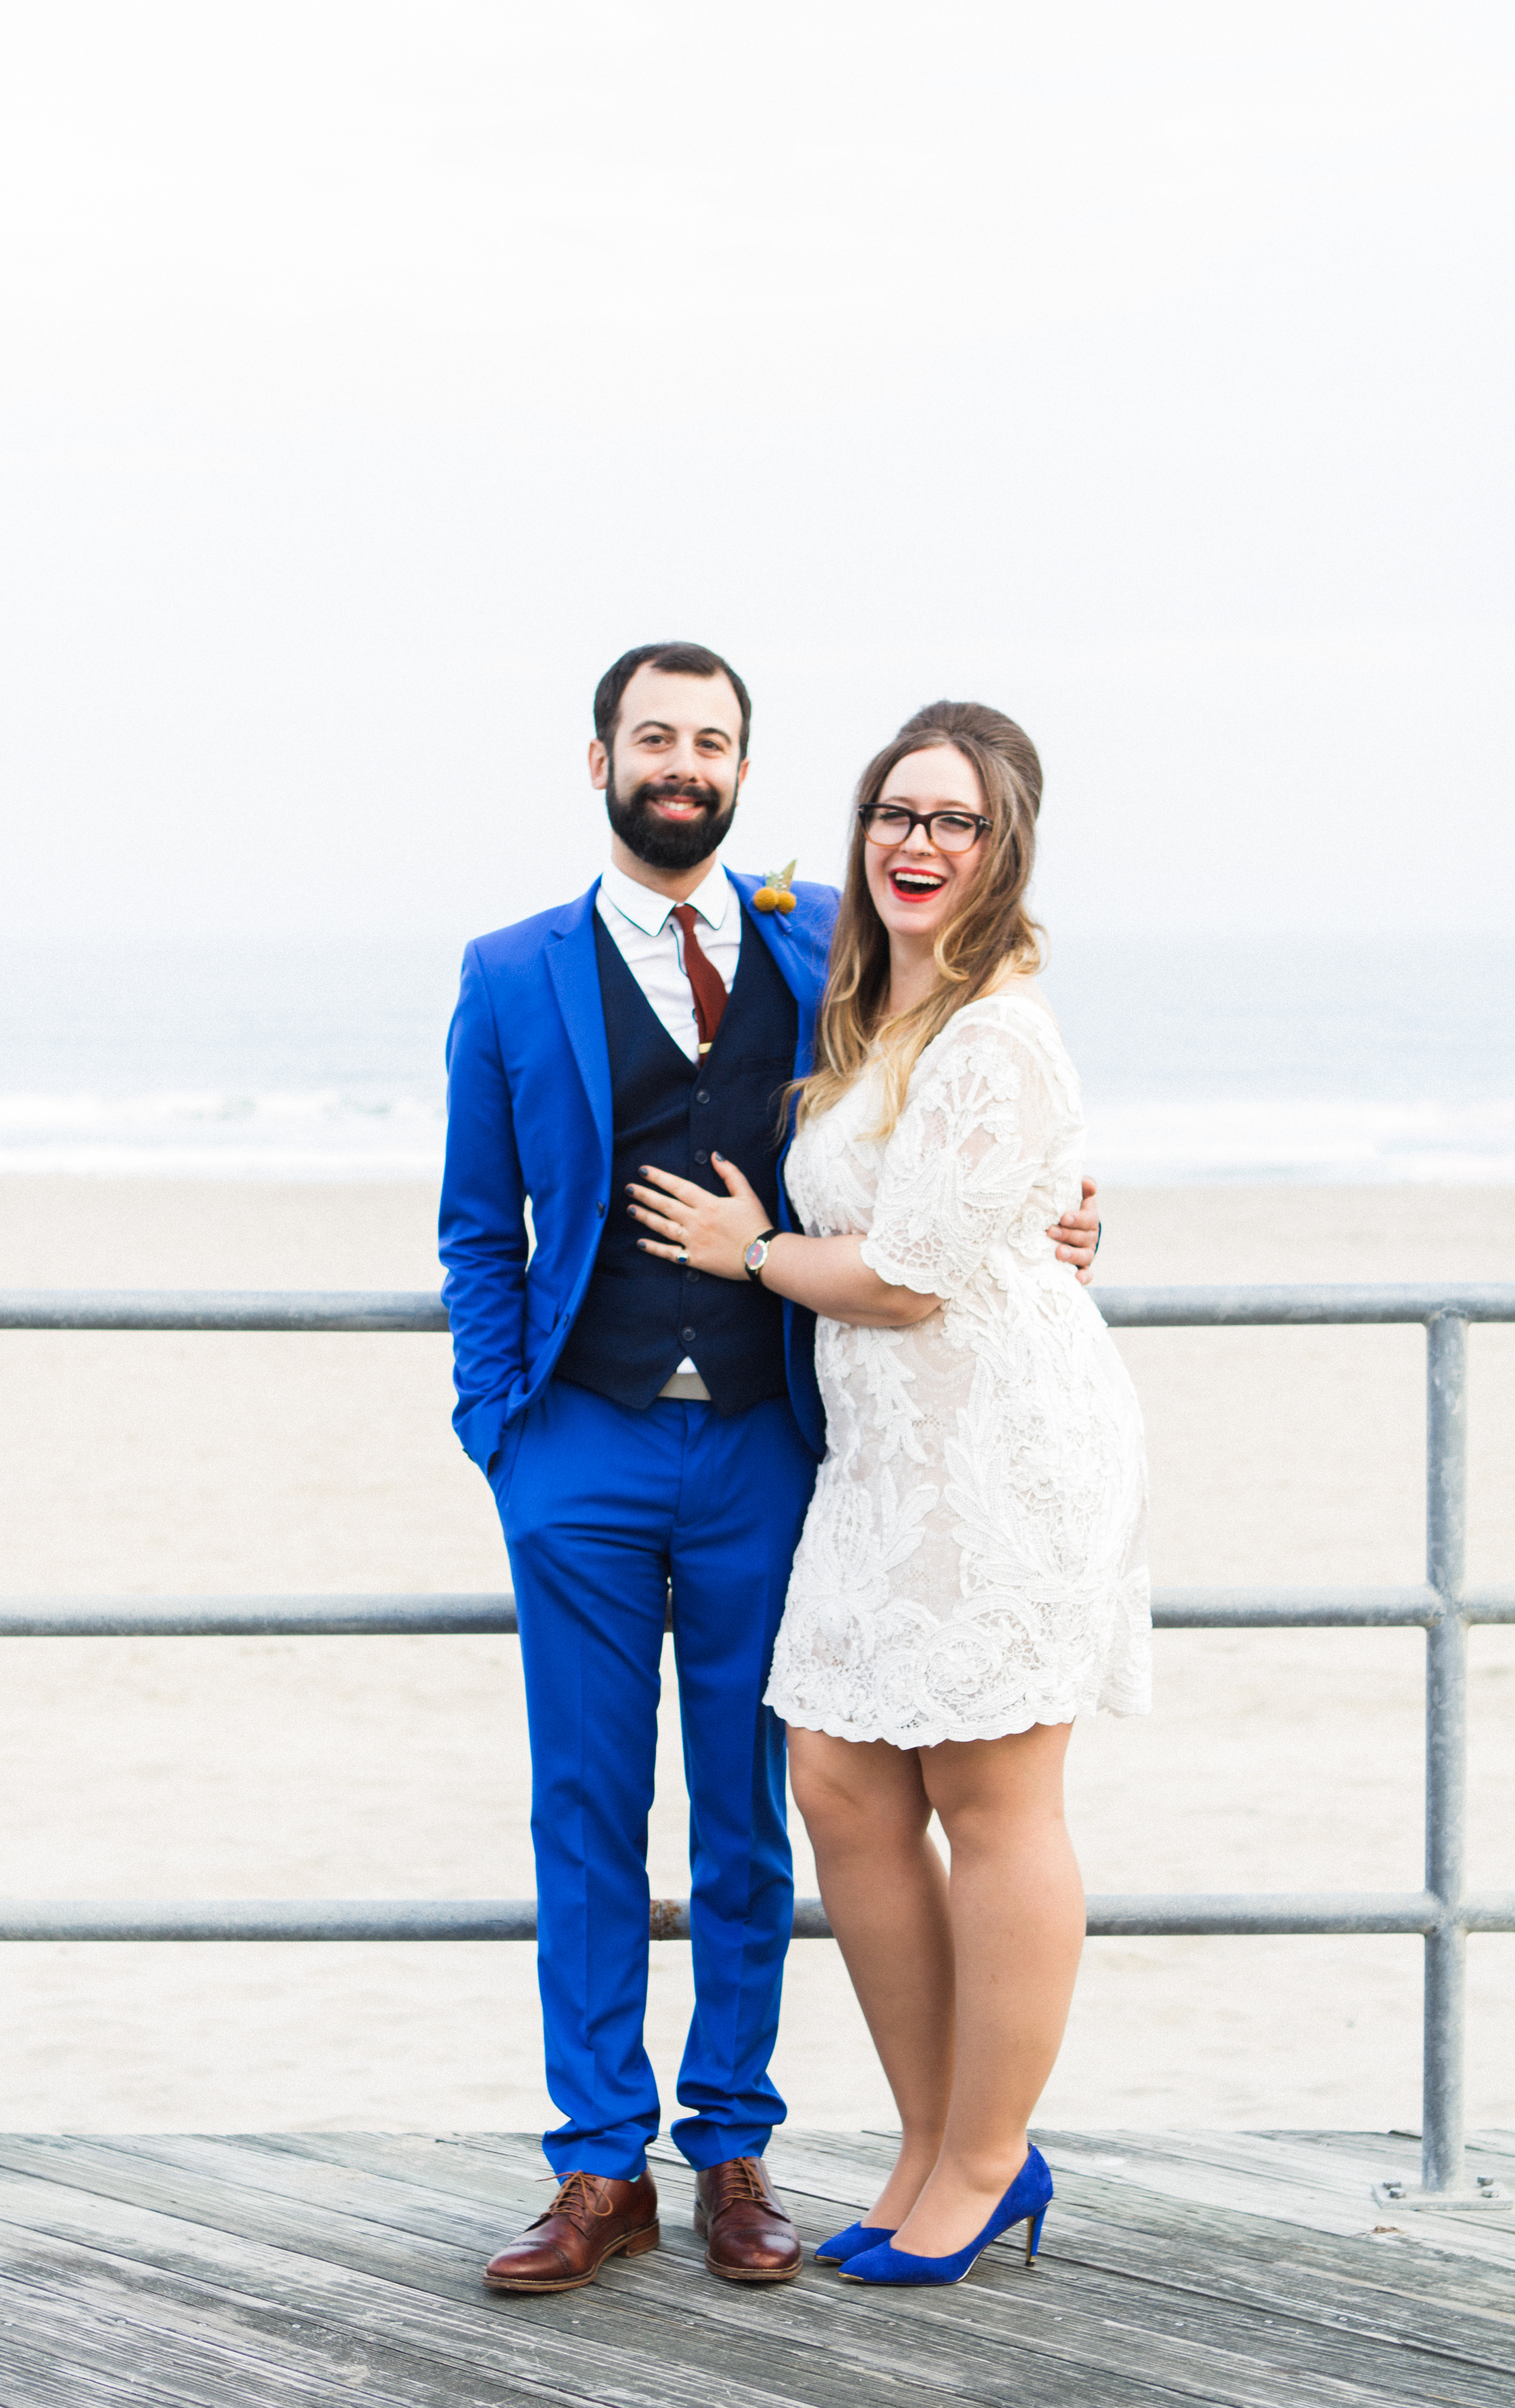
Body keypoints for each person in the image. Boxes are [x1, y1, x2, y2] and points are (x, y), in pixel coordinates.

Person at [439, 650, 1103, 2296]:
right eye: (652, 736)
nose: (681, 763)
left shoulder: (831, 947)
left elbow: (968, 1123)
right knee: (587, 1807)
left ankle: (732, 2147)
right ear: (598, 755)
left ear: (744, 767)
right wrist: (500, 1431)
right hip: (579, 1445)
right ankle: (599, 2164)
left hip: (771, 1448)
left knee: (762, 1810)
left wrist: (1070, 1214)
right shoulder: (509, 970)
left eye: (711, 739)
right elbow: (473, 1223)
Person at [625, 698, 1148, 2290]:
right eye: (896, 815)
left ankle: (985, 2161)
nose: (920, 843)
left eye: (957, 821)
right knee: (843, 1788)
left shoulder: (993, 1028)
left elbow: (915, 1275)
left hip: (999, 1455)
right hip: (880, 1462)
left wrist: (749, 1253)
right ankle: (930, 2142)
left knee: (994, 1808)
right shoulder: (872, 999)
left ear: (1005, 852)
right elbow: (750, 905)